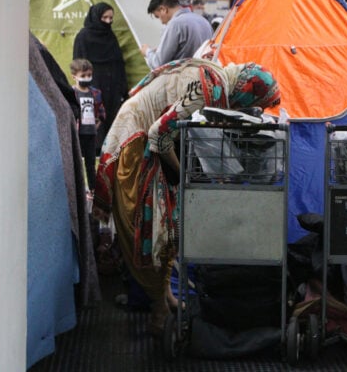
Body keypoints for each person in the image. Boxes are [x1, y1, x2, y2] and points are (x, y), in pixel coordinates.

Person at [93, 58, 281, 336]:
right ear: (244, 91)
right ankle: (158, 312)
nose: (249, 109)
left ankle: (164, 296)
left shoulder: (216, 73)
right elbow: (158, 134)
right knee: (153, 231)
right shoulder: (211, 89)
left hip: (143, 135)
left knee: (170, 225)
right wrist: (184, 175)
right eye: (253, 103)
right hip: (135, 142)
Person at [73, 2, 130, 148]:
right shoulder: (83, 37)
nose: (108, 22)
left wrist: (123, 88)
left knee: (112, 120)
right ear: (96, 17)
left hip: (112, 87)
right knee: (94, 121)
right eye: (104, 18)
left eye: (111, 18)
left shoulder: (110, 36)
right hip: (93, 85)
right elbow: (78, 64)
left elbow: (118, 63)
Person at [140, 0, 214, 69]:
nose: (161, 22)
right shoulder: (204, 21)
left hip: (184, 78)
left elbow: (158, 63)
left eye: (158, 17)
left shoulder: (175, 24)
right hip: (205, 77)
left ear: (163, 9)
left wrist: (147, 51)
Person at [70, 58, 106, 192]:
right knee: (76, 162)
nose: (87, 78)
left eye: (89, 75)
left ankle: (92, 188)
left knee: (90, 163)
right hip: (77, 133)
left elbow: (101, 110)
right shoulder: (72, 93)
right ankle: (77, 189)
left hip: (90, 133)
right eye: (83, 76)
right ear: (74, 77)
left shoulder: (95, 93)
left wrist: (97, 124)